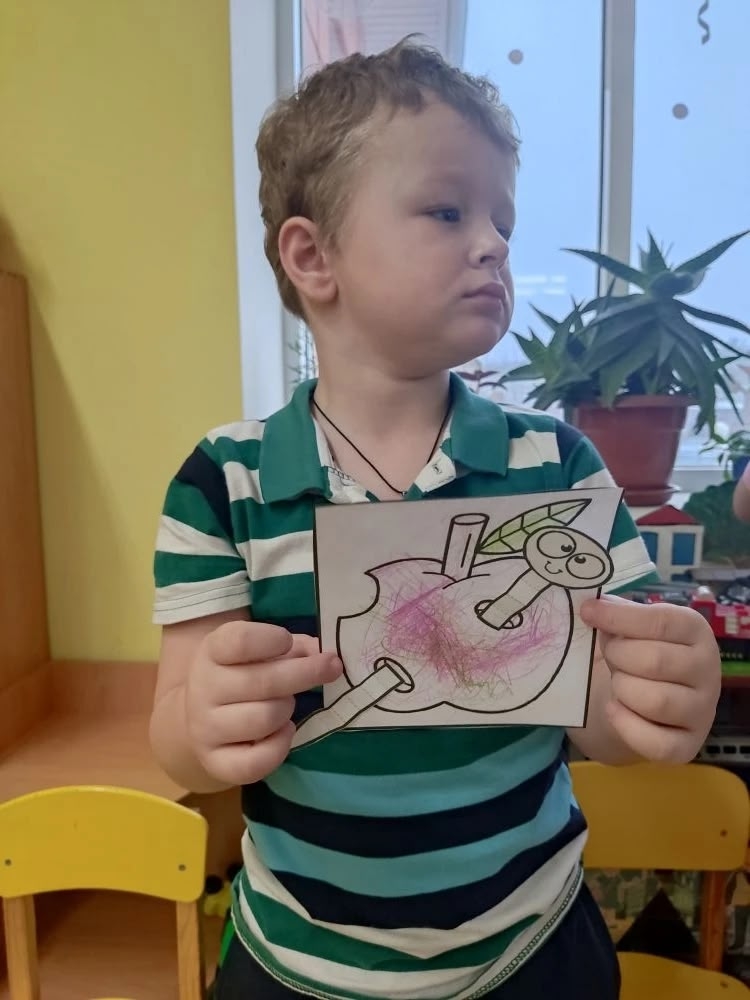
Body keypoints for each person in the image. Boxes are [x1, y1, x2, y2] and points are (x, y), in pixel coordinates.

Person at [149, 39, 721, 1000]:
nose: (494, 242)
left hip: (531, 949)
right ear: (313, 256)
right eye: (449, 211)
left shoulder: (557, 466)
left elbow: (605, 723)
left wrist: (660, 704)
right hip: (299, 962)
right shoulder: (224, 484)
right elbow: (175, 735)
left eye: (503, 220)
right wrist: (203, 723)